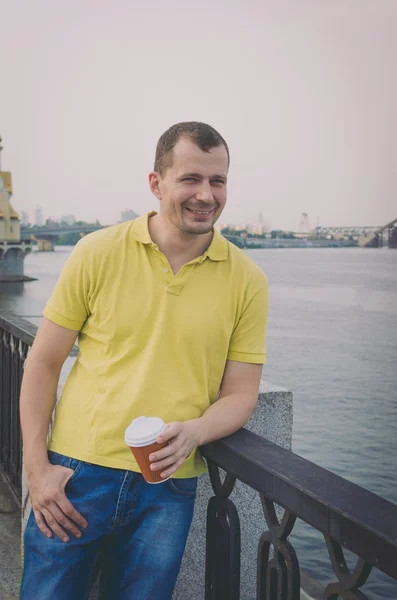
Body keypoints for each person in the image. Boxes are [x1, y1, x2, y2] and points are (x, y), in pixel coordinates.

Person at [20, 121, 268, 599]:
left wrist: (194, 433)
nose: (206, 194)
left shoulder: (248, 279)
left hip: (169, 488)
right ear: (156, 183)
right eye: (190, 179)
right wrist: (37, 468)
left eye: (217, 181)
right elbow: (43, 363)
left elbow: (241, 394)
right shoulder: (98, 252)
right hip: (75, 474)